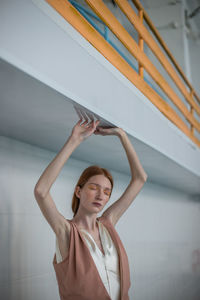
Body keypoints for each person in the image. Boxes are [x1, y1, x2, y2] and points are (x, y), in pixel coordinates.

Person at [34, 117, 148, 300]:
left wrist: (121, 135)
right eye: (93, 188)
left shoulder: (108, 223)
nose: (100, 195)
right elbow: (41, 191)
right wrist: (74, 140)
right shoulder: (67, 233)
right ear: (78, 191)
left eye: (106, 192)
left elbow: (140, 178)